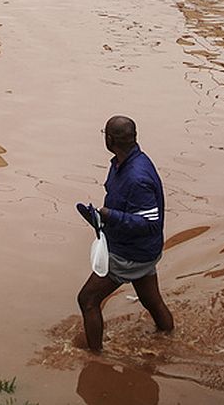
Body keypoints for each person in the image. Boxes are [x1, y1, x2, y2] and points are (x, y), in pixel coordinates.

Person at [76, 115, 174, 350]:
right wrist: (100, 220)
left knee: (88, 300)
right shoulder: (123, 163)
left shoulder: (137, 177)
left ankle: (95, 358)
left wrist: (110, 216)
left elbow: (149, 222)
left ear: (109, 140)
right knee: (151, 300)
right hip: (139, 248)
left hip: (131, 253)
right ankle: (169, 337)